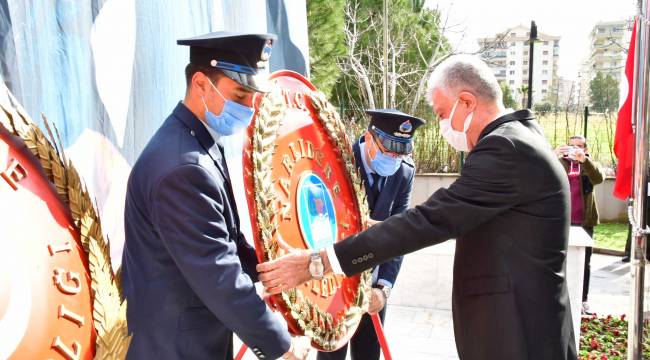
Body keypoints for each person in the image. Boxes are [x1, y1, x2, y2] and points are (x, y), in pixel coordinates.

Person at [257, 54, 576, 360]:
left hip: (517, 338)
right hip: (523, 330)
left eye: (440, 113)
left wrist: (318, 263)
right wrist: (380, 230)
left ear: (466, 101)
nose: (442, 125)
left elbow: (432, 220)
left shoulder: (505, 147)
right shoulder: (520, 138)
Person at [121, 31, 308, 360]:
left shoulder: (199, 141)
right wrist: (282, 346)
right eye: (239, 95)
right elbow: (220, 275)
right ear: (201, 84)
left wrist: (273, 273)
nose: (249, 107)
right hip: (174, 348)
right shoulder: (183, 167)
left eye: (252, 97)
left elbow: (228, 241)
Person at [317, 109, 424, 360]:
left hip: (372, 284)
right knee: (331, 353)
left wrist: (383, 288)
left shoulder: (404, 172)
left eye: (401, 152)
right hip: (335, 281)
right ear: (369, 137)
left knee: (368, 352)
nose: (394, 157)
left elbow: (399, 235)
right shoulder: (338, 160)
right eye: (389, 150)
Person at [554, 136, 604, 315]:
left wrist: (584, 161)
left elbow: (599, 178)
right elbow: (542, 177)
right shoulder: (560, 163)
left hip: (584, 221)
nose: (575, 149)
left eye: (579, 146)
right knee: (558, 260)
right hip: (561, 220)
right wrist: (552, 156)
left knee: (585, 262)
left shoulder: (589, 164)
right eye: (572, 146)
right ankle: (558, 297)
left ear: (585, 148)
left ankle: (583, 299)